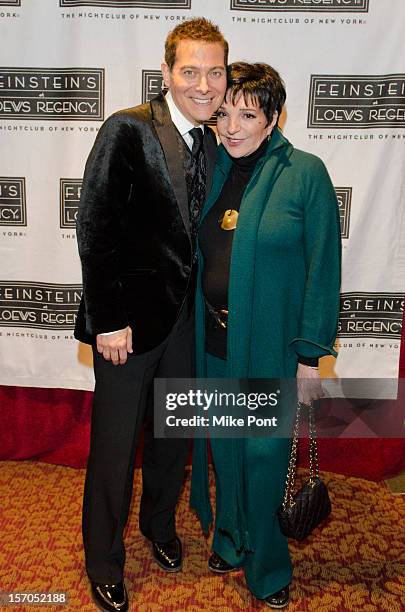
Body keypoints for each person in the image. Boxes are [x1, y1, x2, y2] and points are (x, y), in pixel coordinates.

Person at [74, 18, 228, 612]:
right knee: (115, 450)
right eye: (190, 71)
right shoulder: (129, 129)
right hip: (128, 329)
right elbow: (95, 226)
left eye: (214, 71)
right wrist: (108, 320)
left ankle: (158, 526)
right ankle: (103, 561)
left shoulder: (216, 140)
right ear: (167, 73)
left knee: (173, 440)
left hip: (186, 323)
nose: (203, 83)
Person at [190, 62, 341, 608]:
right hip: (213, 345)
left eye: (247, 114)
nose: (231, 126)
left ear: (273, 117)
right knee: (224, 451)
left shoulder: (305, 173)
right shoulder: (208, 171)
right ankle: (229, 538)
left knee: (263, 458)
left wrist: (309, 358)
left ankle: (269, 568)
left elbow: (324, 269)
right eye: (225, 112)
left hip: (271, 346)